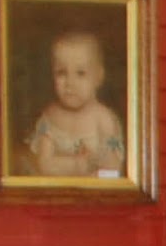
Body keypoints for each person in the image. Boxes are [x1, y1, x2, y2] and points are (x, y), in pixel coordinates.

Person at [24, 28, 125, 178]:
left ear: (98, 77)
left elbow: (113, 170)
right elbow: (43, 164)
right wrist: (77, 165)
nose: (70, 83)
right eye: (61, 73)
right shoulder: (51, 116)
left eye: (80, 73)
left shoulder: (103, 119)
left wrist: (94, 177)